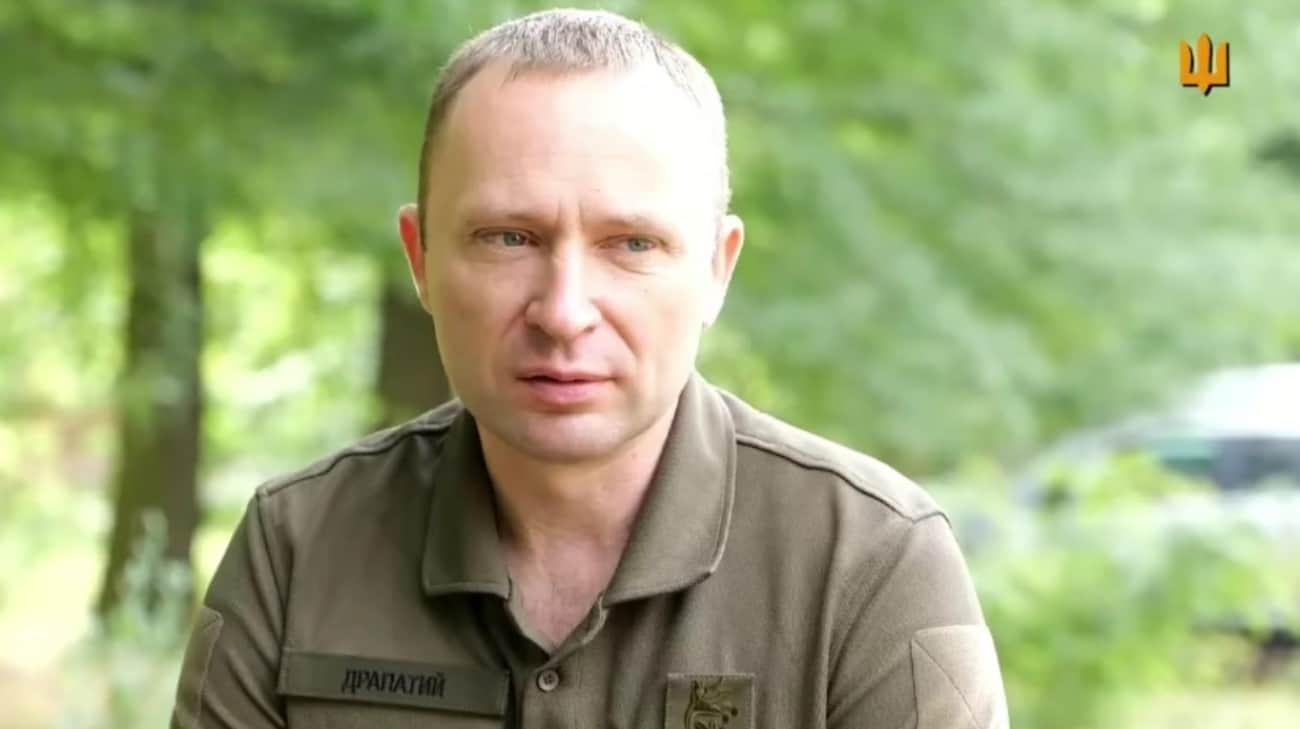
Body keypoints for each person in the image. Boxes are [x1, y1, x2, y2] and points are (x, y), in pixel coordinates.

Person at [169, 8, 1007, 729]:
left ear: (717, 268)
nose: (564, 311)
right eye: (509, 237)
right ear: (420, 259)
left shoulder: (868, 565)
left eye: (631, 244)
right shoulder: (301, 546)